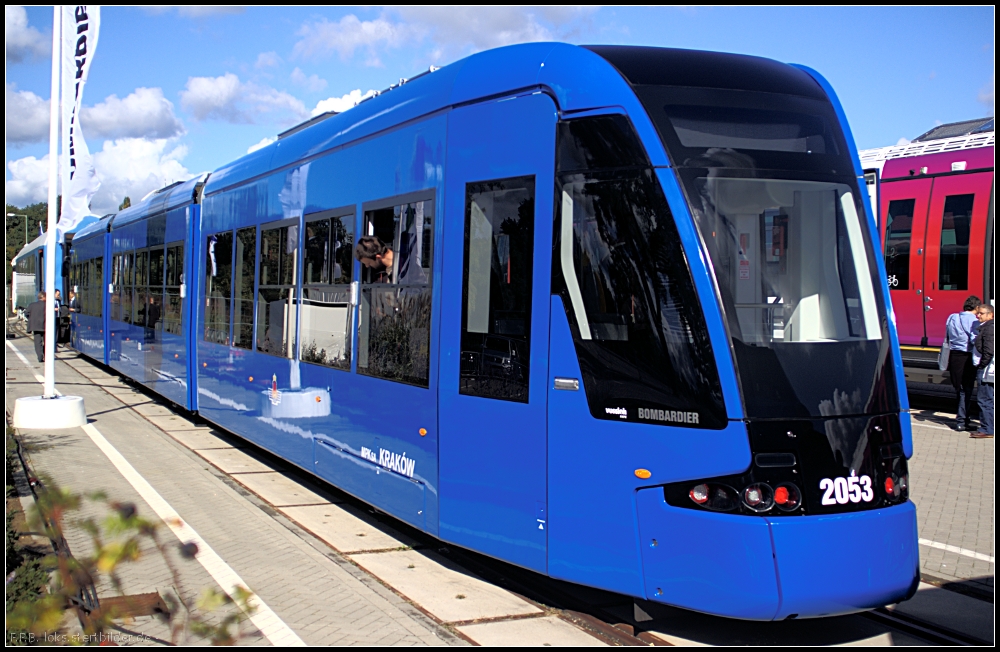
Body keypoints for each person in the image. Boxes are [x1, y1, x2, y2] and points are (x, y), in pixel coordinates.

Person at [945, 295, 981, 431]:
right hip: (968, 357)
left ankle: (963, 418)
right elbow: (974, 340)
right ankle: (962, 420)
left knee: (959, 388)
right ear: (977, 308)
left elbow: (947, 336)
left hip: (954, 356)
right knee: (967, 389)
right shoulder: (975, 321)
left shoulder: (952, 317)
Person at [971, 303, 994, 439]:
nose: (978, 315)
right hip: (988, 368)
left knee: (985, 399)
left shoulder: (989, 328)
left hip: (987, 370)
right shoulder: (987, 327)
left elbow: (989, 350)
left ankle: (987, 428)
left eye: (981, 313)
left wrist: (982, 365)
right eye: (978, 313)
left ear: (990, 315)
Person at [25, 291, 47, 363]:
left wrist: (32, 319)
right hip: (46, 326)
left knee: (37, 342)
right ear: (43, 297)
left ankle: (40, 357)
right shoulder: (47, 305)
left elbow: (27, 314)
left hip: (36, 326)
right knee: (47, 342)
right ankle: (46, 355)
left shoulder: (32, 305)